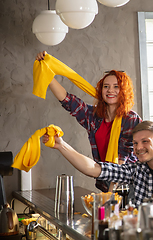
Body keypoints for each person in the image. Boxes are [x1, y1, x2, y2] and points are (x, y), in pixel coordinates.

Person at [36, 51, 142, 192]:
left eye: (116, 86)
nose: (110, 90)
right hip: (106, 182)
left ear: (124, 91)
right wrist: (46, 70)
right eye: (106, 86)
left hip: (130, 187)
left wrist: (110, 199)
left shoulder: (131, 119)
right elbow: (68, 101)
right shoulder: (94, 116)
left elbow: (120, 163)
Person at [42, 120, 153, 207]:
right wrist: (61, 145)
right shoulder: (135, 170)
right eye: (135, 143)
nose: (138, 148)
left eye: (145, 141)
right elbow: (93, 169)